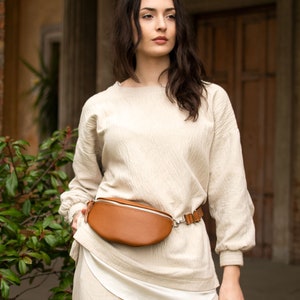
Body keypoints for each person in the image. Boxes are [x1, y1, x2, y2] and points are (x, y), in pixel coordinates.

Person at [59, 0, 255, 299]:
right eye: (148, 16)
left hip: (186, 267)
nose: (162, 25)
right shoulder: (100, 106)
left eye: (171, 16)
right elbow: (84, 183)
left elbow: (230, 188)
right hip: (106, 262)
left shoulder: (211, 99)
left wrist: (231, 273)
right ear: (129, 25)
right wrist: (75, 212)